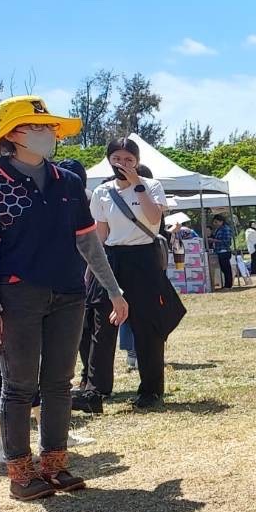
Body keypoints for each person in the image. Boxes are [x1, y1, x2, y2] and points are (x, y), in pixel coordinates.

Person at [0, 96, 126, 499]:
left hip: (68, 292)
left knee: (60, 382)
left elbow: (88, 242)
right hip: (16, 294)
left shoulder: (69, 182)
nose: (48, 134)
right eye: (37, 127)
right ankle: (20, 473)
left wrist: (113, 289)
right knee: (18, 384)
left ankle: (55, 465)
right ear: (12, 135)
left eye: (49, 127)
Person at [83, 136, 175, 410]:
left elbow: (154, 218)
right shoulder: (102, 192)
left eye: (128, 159)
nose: (122, 164)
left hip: (144, 258)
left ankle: (151, 390)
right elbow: (100, 235)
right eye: (117, 159)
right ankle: (96, 391)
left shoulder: (151, 186)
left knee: (147, 325)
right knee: (102, 324)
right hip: (112, 258)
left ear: (137, 161)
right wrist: (92, 269)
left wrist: (137, 183)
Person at [208, 213, 235, 290]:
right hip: (219, 251)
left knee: (226, 269)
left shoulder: (226, 229)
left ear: (221, 221)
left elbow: (227, 242)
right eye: (214, 222)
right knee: (223, 268)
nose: (214, 224)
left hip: (224, 251)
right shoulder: (218, 229)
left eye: (216, 222)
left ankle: (228, 285)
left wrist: (214, 240)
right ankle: (227, 284)